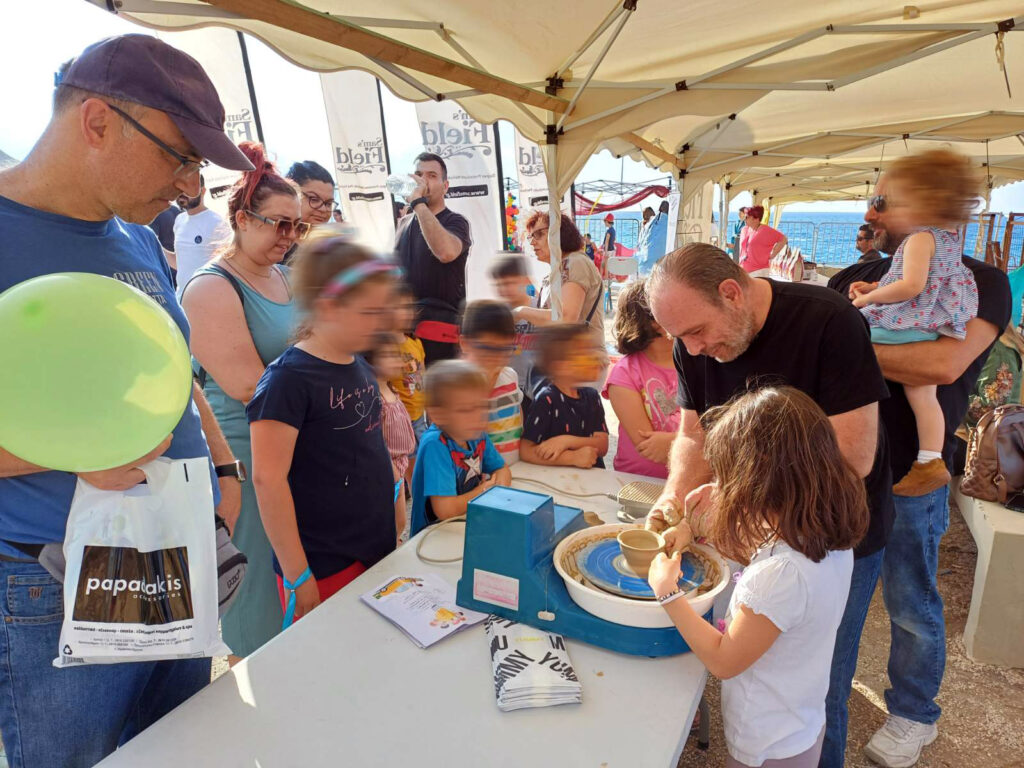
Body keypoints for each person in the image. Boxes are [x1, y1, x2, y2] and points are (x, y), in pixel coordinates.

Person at [0, 34, 251, 766]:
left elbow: (165, 371)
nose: (185, 184)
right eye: (178, 155)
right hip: (58, 580)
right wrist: (69, 452)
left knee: (178, 748)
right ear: (98, 121)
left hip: (168, 545)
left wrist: (224, 467)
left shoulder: (134, 239)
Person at [643, 243, 894, 768]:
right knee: (777, 663)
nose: (691, 348)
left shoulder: (829, 321)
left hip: (829, 530)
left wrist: (736, 501)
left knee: (820, 682)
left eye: (695, 332)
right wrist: (674, 498)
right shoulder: (692, 342)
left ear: (731, 293)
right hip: (771, 529)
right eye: (679, 339)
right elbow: (692, 433)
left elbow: (853, 455)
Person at [827, 179, 1010, 768]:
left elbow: (943, 360)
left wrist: (851, 340)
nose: (870, 211)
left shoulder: (983, 281)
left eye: (882, 201)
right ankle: (826, 707)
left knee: (910, 600)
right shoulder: (857, 276)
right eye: (873, 199)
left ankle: (914, 713)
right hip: (846, 475)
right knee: (840, 606)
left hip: (913, 475)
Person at [649, 386, 868, 767]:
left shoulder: (779, 576)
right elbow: (760, 541)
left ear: (759, 481)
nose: (722, 487)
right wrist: (694, 527)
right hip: (800, 723)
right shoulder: (827, 538)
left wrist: (667, 591)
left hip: (767, 744)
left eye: (728, 477)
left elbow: (723, 661)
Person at [181, 142, 307, 659]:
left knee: (293, 568)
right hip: (249, 453)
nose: (291, 237)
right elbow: (248, 386)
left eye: (298, 226)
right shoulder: (209, 289)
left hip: (293, 439)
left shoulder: (281, 275)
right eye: (279, 224)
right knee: (256, 580)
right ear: (241, 219)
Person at [248, 237, 398, 624]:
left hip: (372, 549)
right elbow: (268, 480)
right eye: (369, 312)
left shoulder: (359, 364)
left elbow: (370, 442)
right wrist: (298, 575)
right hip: (323, 564)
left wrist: (395, 498)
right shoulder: (288, 380)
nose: (381, 324)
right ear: (328, 306)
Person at [852, 150, 981, 497]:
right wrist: (877, 285)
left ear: (919, 203)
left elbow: (912, 285)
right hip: (928, 324)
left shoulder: (920, 238)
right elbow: (927, 279)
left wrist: (868, 299)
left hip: (906, 324)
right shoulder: (947, 240)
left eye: (883, 201)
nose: (870, 213)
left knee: (846, 336)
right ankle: (930, 459)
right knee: (923, 397)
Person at [409, 360, 511, 537]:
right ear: (438, 414)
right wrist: (485, 491)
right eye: (466, 410)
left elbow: (502, 469)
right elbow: (445, 510)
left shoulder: (475, 433)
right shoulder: (436, 445)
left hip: (466, 524)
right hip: (433, 537)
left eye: (482, 406)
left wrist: (497, 487)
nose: (479, 416)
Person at [395, 152, 473, 364]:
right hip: (407, 336)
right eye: (419, 174)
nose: (422, 181)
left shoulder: (456, 222)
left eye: (431, 175)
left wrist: (419, 204)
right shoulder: (404, 224)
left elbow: (446, 252)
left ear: (445, 186)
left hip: (441, 335)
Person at [516, 211, 607, 385]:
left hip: (579, 363)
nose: (533, 242)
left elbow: (566, 317)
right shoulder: (557, 270)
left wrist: (521, 312)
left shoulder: (575, 262)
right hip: (565, 365)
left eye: (539, 234)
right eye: (531, 237)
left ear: (559, 233)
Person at [603, 279, 680, 478]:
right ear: (651, 321)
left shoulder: (697, 361)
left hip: (688, 477)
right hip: (637, 480)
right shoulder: (625, 373)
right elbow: (648, 446)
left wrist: (673, 442)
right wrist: (696, 444)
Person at [521, 324, 609, 469]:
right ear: (561, 366)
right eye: (584, 353)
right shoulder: (547, 399)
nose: (594, 357)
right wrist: (572, 458)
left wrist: (566, 441)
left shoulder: (592, 397)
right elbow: (525, 450)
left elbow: (603, 445)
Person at [365, 331, 416, 543]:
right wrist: (392, 468)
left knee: (400, 520)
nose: (397, 360)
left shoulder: (390, 388)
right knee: (396, 520)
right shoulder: (373, 395)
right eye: (388, 356)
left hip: (400, 463)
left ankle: (392, 542)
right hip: (388, 468)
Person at [461, 300, 523, 465]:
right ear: (465, 344)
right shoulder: (458, 385)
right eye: (488, 349)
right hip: (481, 475)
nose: (497, 357)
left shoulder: (510, 376)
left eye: (505, 349)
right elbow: (462, 429)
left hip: (516, 466)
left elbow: (517, 412)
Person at [490, 254, 539, 404]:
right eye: (499, 284)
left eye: (509, 282)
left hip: (537, 387)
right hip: (508, 388)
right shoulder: (495, 314)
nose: (504, 289)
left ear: (525, 280)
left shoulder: (540, 308)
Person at [172, 173, 227, 299]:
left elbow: (228, 267)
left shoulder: (217, 223)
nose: (182, 192)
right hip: (181, 299)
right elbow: (179, 261)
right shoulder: (179, 220)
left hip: (208, 301)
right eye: (179, 188)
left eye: (188, 187)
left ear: (203, 191)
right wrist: (154, 242)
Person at [389, 280, 428, 447]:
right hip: (398, 420)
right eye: (399, 307)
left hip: (419, 417)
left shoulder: (415, 342)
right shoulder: (384, 346)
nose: (406, 313)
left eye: (409, 307)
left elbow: (423, 376)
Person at [738, 205, 787, 274]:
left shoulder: (765, 230)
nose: (745, 219)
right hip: (744, 270)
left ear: (756, 219)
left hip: (759, 271)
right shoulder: (744, 230)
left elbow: (783, 239)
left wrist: (773, 254)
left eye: (747, 217)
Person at [287, 160, 335, 227]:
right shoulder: (272, 235)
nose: (323, 209)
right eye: (314, 199)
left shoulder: (335, 236)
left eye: (329, 204)